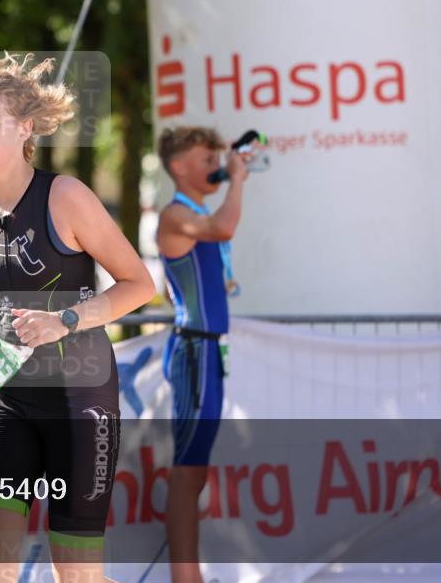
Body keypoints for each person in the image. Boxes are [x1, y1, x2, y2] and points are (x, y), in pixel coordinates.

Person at [0, 53, 155, 583]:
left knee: (76, 572)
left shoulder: (65, 196)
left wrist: (64, 318)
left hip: (81, 400)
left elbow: (140, 286)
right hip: (11, 395)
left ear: (26, 129)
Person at [154, 126, 249, 583]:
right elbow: (225, 227)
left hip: (208, 351)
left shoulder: (194, 212)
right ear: (178, 167)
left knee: (196, 472)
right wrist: (238, 179)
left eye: (216, 157)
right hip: (194, 350)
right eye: (204, 158)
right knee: (188, 473)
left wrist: (233, 174)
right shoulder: (176, 215)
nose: (215, 165)